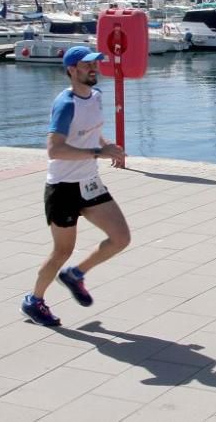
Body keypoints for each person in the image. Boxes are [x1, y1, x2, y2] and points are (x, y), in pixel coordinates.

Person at [20, 45, 129, 327]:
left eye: (95, 64)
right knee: (62, 251)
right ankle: (34, 301)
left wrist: (108, 146)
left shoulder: (96, 96)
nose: (93, 69)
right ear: (72, 70)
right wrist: (97, 153)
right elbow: (54, 150)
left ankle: (75, 275)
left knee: (121, 238)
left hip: (89, 184)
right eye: (86, 65)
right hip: (63, 189)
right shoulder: (66, 104)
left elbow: (92, 131)